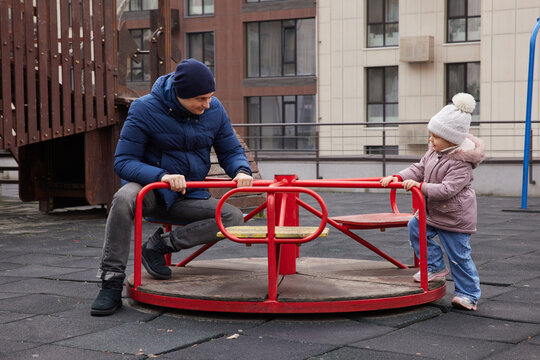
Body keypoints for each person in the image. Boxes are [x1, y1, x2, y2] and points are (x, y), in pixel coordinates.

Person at [91, 59, 253, 316]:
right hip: (152, 192)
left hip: (189, 196)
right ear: (180, 94)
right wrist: (162, 176)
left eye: (210, 97)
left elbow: (230, 149)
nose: (207, 104)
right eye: (201, 98)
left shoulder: (214, 110)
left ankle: (159, 246)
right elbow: (123, 161)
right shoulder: (144, 109)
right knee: (124, 197)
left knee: (232, 217)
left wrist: (241, 170)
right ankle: (110, 282)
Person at [380, 93, 484, 311]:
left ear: (452, 138)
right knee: (415, 228)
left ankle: (468, 294)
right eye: (431, 135)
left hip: (454, 217)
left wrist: (419, 187)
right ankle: (435, 266)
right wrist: (399, 177)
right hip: (430, 212)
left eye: (435, 136)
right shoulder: (433, 153)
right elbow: (418, 169)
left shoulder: (461, 164)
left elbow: (447, 190)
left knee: (458, 256)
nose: (431, 140)